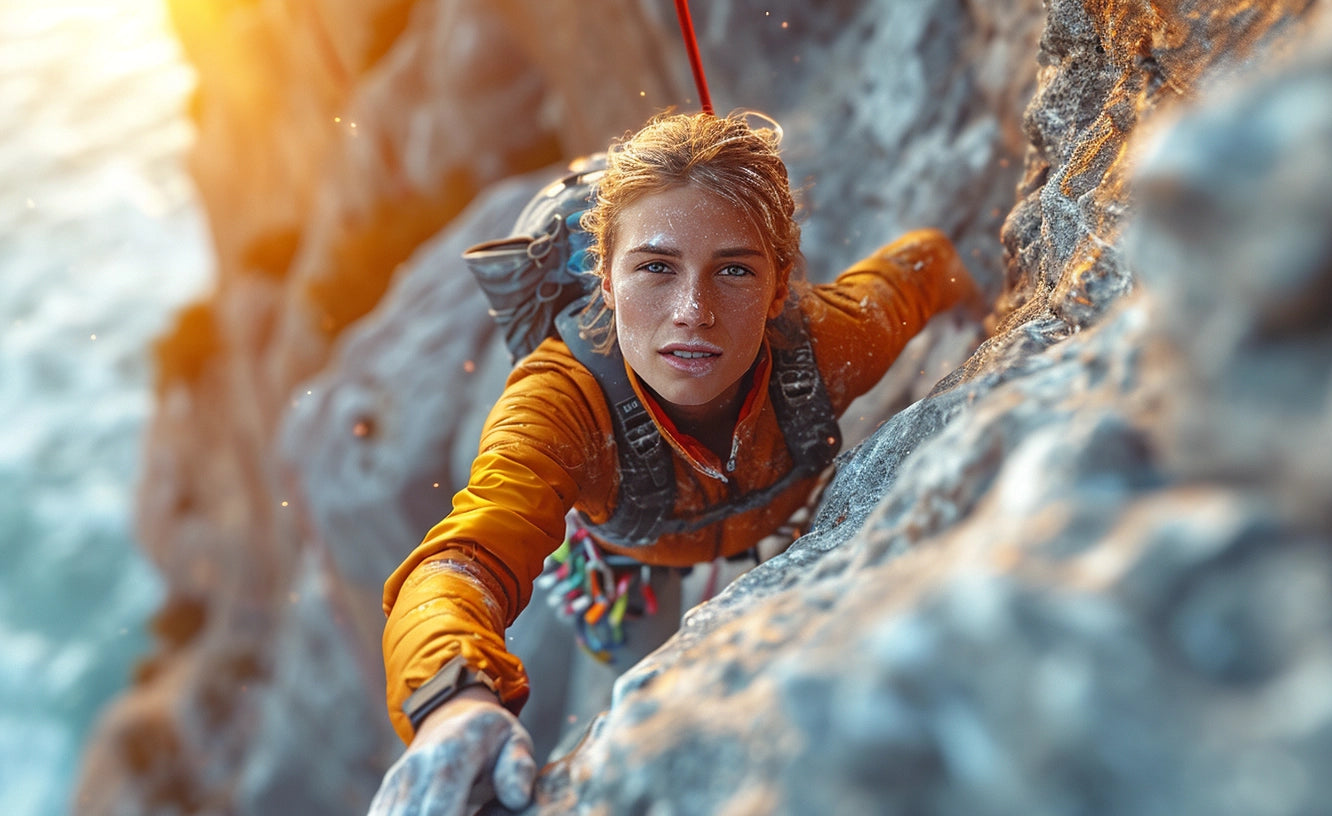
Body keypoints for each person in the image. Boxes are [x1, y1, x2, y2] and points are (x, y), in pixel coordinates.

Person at [367, 111, 982, 814]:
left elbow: (923, 266)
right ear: (604, 279)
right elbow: (459, 565)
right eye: (656, 268)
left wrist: (994, 315)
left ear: (780, 288)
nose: (693, 310)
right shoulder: (560, 406)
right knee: (646, 685)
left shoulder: (828, 342)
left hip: (709, 519)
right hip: (620, 560)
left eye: (735, 271)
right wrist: (452, 696)